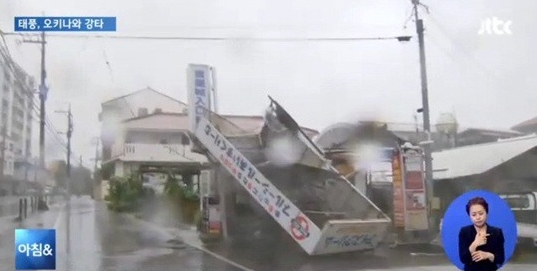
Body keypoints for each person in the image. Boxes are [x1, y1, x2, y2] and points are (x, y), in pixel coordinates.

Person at [458, 196, 505, 271]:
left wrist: (488, 255)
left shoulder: (497, 232)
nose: (478, 217)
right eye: (474, 215)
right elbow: (463, 259)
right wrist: (475, 244)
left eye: (481, 213)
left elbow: (500, 259)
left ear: (486, 213)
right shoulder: (464, 232)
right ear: (470, 216)